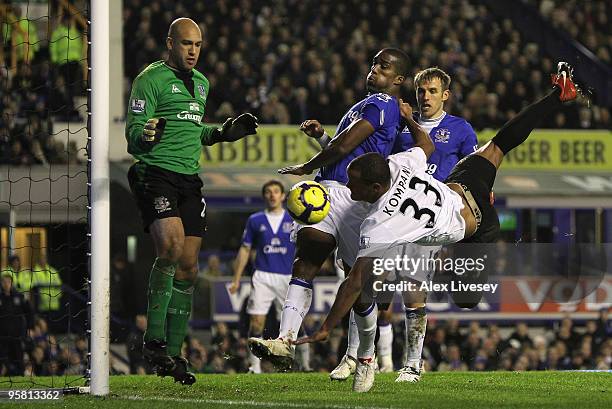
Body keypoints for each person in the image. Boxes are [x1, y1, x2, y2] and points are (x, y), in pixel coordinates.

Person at [296, 62, 582, 392]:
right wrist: (409, 123)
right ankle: (558, 96)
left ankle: (401, 353)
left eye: (354, 185)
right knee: (500, 143)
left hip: (474, 224)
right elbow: (425, 147)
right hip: (459, 186)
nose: (349, 188)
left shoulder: (379, 224)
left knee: (466, 299)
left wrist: (325, 327)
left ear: (375, 188)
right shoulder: (401, 164)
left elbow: (352, 283)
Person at [248, 47, 411, 392]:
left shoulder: (383, 104)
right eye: (373, 63)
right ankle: (285, 340)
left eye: (384, 67)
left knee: (361, 290)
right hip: (328, 192)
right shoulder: (364, 105)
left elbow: (344, 147)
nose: (374, 70)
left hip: (356, 200)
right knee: (305, 262)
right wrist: (323, 137)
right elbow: (341, 146)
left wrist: (306, 166)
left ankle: (365, 357)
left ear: (398, 79)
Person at [125, 17, 258, 385]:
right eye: (186, 44)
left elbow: (194, 129)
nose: (193, 51)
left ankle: (173, 353)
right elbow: (133, 135)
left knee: (189, 266)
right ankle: (153, 338)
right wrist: (147, 135)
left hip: (188, 179)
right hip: (154, 173)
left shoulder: (201, 84)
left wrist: (223, 133)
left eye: (198, 45)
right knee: (170, 246)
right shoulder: (148, 80)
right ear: (170, 43)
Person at [332, 67, 479, 380]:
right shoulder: (398, 126)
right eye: (422, 91)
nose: (426, 97)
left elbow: (471, 171)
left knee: (413, 289)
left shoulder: (461, 129)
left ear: (445, 95)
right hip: (388, 216)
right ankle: (353, 358)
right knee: (367, 286)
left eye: (433, 91)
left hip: (425, 219)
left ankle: (413, 363)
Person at [229, 180, 296, 373]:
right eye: (268, 192)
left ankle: (297, 363)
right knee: (256, 323)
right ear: (264, 196)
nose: (272, 195)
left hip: (287, 277)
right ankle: (254, 366)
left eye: (276, 191)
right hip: (262, 276)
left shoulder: (294, 219)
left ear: (283, 196)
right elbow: (244, 249)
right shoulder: (255, 220)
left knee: (290, 325)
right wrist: (236, 279)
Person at [0, 270, 34, 376]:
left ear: (11, 283)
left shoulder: (19, 296)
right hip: (2, 336)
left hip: (17, 335)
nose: (6, 284)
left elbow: (29, 312)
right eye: (4, 282)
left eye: (8, 281)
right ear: (1, 283)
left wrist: (30, 327)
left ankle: (20, 375)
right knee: (3, 358)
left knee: (18, 357)